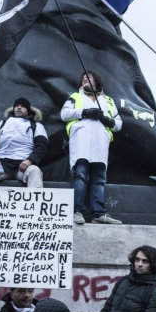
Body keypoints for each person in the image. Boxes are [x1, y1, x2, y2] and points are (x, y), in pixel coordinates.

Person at [61, 70, 122, 224]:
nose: (85, 80)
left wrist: (109, 121)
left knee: (99, 178)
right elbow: (64, 114)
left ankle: (98, 214)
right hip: (81, 138)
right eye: (83, 79)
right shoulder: (75, 97)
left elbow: (118, 123)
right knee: (80, 174)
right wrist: (85, 112)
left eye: (89, 78)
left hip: (100, 141)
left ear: (97, 81)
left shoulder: (107, 100)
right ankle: (78, 211)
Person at [0, 97, 48, 188]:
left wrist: (30, 161)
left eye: (23, 106)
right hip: (1, 166)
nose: (19, 107)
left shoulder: (36, 126)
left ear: (28, 111)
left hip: (24, 167)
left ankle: (35, 202)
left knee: (35, 171)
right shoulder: (1, 124)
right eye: (17, 106)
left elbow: (41, 146)